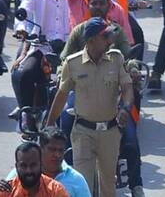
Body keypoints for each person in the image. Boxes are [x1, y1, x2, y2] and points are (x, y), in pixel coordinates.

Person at [44, 17, 134, 197]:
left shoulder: (116, 59)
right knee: (83, 183)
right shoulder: (73, 63)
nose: (111, 40)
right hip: (83, 132)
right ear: (92, 39)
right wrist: (50, 124)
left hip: (110, 131)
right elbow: (61, 95)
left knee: (108, 183)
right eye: (106, 36)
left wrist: (125, 107)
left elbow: (127, 87)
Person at [10, 0, 70, 113]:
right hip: (42, 46)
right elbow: (23, 11)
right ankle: (27, 116)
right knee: (24, 74)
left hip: (69, 48)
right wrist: (21, 29)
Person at [0, 127, 90, 197]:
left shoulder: (76, 181)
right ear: (41, 149)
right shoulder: (19, 174)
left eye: (61, 150)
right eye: (52, 149)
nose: (57, 155)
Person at [0, 142, 69, 197]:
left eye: (33, 165)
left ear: (41, 165)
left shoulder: (55, 190)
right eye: (23, 166)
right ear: (17, 167)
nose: (29, 171)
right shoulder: (5, 191)